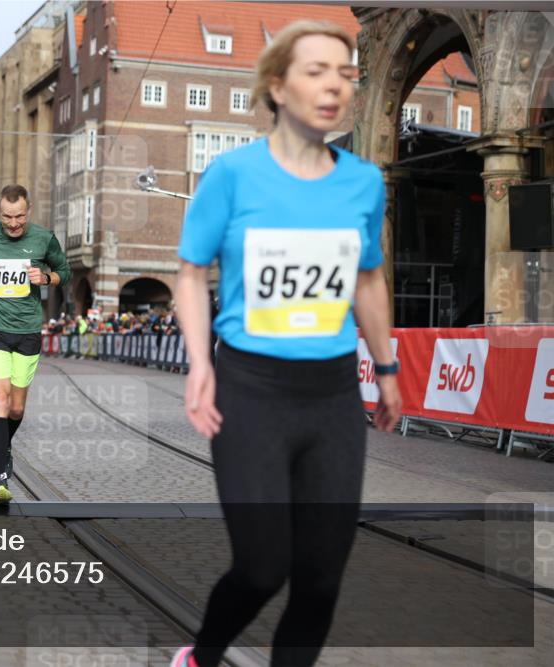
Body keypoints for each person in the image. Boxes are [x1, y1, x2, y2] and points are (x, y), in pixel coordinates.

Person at [170, 21, 402, 667]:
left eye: (345, 74)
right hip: (250, 390)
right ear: (277, 86)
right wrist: (199, 362)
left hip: (332, 395)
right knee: (263, 566)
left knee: (322, 577)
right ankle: (200, 657)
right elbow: (190, 272)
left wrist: (386, 368)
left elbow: (368, 278)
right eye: (316, 71)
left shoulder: (363, 183)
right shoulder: (231, 175)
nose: (335, 87)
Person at [0, 184, 70, 503]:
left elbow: (64, 271)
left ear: (28, 209)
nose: (13, 223)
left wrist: (46, 278)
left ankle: (2, 446)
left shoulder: (43, 238)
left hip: (27, 330)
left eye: (19, 216)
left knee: (17, 407)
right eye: (7, 217)